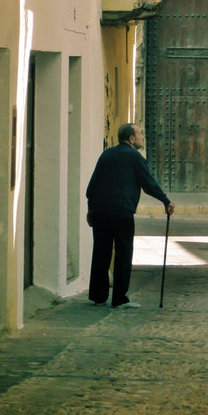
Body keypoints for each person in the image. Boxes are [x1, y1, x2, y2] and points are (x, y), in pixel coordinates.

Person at [85, 122, 174, 308]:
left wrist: (91, 209)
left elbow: (92, 186)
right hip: (122, 212)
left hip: (100, 212)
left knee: (101, 252)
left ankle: (98, 296)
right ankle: (119, 298)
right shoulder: (135, 157)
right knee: (123, 253)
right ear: (131, 139)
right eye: (140, 134)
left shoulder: (106, 155)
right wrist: (165, 200)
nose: (142, 137)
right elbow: (148, 183)